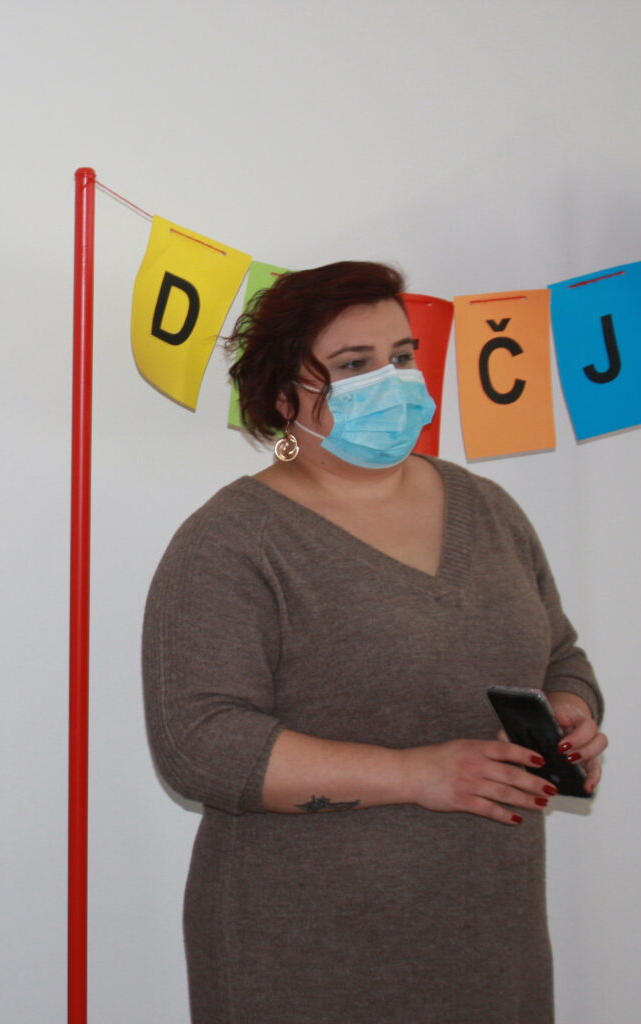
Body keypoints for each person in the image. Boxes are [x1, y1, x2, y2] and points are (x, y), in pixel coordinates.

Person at [142, 261, 607, 1024]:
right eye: (354, 365)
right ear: (284, 397)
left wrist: (569, 710)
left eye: (401, 355)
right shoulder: (231, 541)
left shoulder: (489, 509)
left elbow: (562, 654)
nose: (390, 381)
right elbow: (201, 745)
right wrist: (417, 775)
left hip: (493, 945)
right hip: (303, 960)